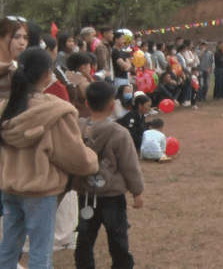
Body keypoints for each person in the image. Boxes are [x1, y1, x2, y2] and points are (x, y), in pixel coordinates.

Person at [0, 48, 99, 268]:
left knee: (8, 249)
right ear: (47, 73)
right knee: (40, 253)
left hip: (9, 188)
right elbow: (75, 157)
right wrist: (92, 159)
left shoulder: (6, 108)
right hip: (40, 192)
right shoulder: (55, 111)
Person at [74, 81, 144, 269]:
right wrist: (137, 192)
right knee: (118, 236)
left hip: (86, 194)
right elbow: (129, 164)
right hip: (113, 195)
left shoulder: (77, 129)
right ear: (112, 106)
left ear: (87, 104)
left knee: (84, 238)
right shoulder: (119, 132)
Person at [0, 17, 29, 100]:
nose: (22, 42)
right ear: (1, 39)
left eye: (25, 38)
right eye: (16, 37)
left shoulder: (20, 68)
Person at [66, 52, 94, 118]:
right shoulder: (84, 85)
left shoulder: (64, 78)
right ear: (83, 68)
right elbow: (99, 99)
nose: (90, 68)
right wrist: (90, 78)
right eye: (89, 66)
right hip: (85, 120)